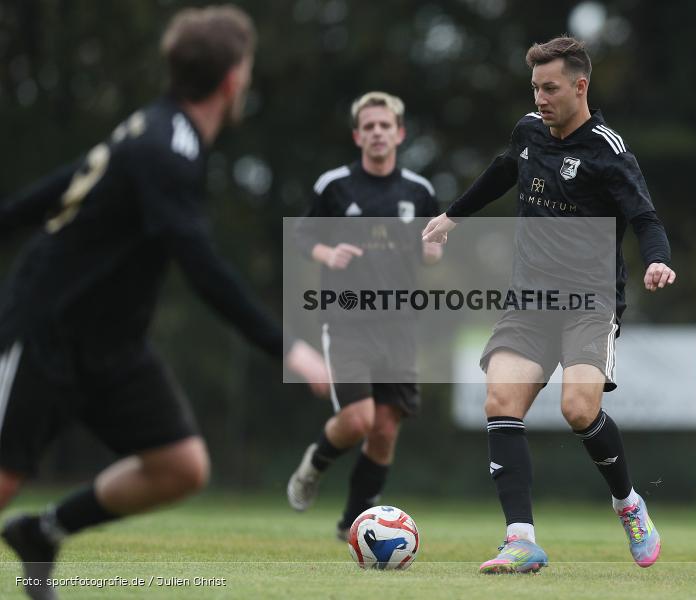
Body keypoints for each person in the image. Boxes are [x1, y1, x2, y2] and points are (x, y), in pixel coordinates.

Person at [0, 6, 328, 599]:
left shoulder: (156, 131)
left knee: (180, 466)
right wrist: (289, 349)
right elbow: (200, 266)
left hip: (110, 344)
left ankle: (43, 532)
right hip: (47, 328)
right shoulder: (165, 147)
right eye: (247, 69)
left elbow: (45, 195)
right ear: (232, 78)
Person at [422, 36, 676, 574]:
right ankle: (521, 540)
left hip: (590, 301)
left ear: (580, 86)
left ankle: (628, 504)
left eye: (551, 87)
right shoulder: (529, 131)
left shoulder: (607, 150)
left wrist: (657, 259)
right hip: (530, 299)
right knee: (500, 401)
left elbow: (646, 218)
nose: (540, 97)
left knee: (577, 409)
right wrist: (453, 216)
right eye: (535, 86)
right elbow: (501, 170)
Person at [287, 91, 441, 541]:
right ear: (358, 135)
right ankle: (313, 466)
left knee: (385, 430)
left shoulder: (419, 191)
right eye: (369, 126)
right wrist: (326, 251)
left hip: (400, 325)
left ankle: (352, 522)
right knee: (358, 420)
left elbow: (431, 250)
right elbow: (301, 236)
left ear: (400, 133)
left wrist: (433, 249)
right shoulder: (334, 185)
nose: (377, 133)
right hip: (347, 319)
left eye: (384, 125)